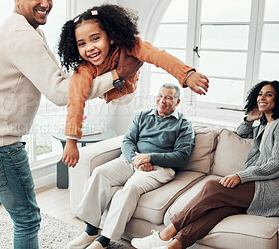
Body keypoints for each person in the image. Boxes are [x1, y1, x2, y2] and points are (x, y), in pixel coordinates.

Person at [0, 0, 143, 248]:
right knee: (27, 219)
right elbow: (59, 93)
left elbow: (59, 79)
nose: (45, 3)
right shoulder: (23, 37)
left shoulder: (26, 30)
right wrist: (116, 76)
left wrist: (103, 78)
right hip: (0, 145)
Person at [131, 80, 279, 249]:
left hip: (270, 190)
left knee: (212, 186)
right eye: (260, 94)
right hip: (256, 185)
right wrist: (248, 119)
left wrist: (240, 176)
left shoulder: (278, 126)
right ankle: (172, 247)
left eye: (269, 94)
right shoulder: (263, 125)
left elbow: (276, 164)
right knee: (217, 212)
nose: (262, 97)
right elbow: (241, 133)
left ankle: (165, 234)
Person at [58, 4, 209, 168]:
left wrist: (187, 75)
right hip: (107, 95)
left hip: (128, 91)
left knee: (146, 50)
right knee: (76, 86)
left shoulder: (129, 45)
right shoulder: (84, 68)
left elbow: (158, 57)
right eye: (82, 44)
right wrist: (71, 141)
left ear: (110, 36)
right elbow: (75, 101)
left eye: (95, 38)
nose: (90, 48)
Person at [67, 83, 196, 249]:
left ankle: (104, 240)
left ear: (177, 102)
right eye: (160, 95)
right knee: (100, 173)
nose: (163, 100)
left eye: (169, 98)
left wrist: (150, 157)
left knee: (131, 188)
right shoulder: (142, 116)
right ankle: (91, 230)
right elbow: (127, 141)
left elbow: (181, 156)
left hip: (158, 168)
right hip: (131, 160)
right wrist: (135, 159)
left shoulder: (184, 124)